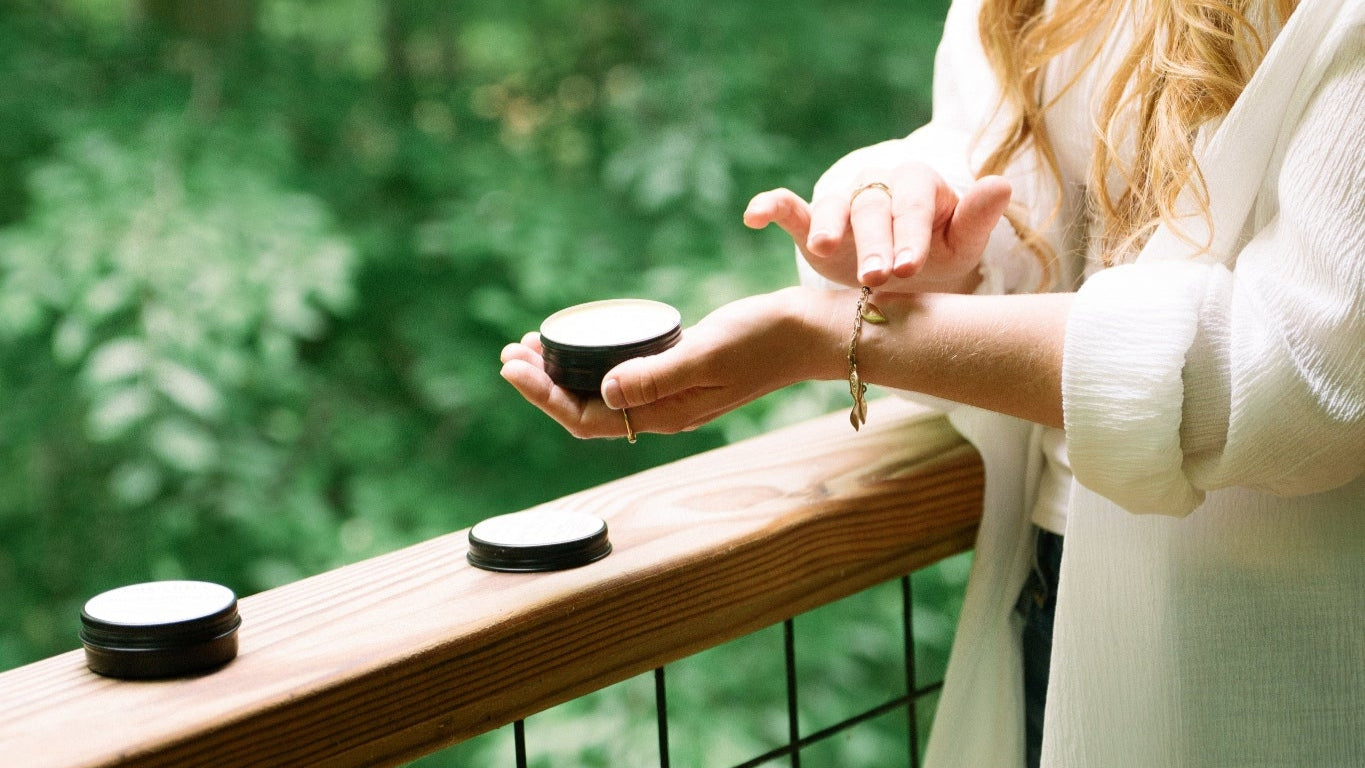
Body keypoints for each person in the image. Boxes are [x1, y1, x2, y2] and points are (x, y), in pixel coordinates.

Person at [501, 0, 1365, 765]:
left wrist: (832, 338)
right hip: (1051, 579)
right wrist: (917, 228)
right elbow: (1013, 185)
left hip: (1271, 641)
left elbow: (1300, 374)